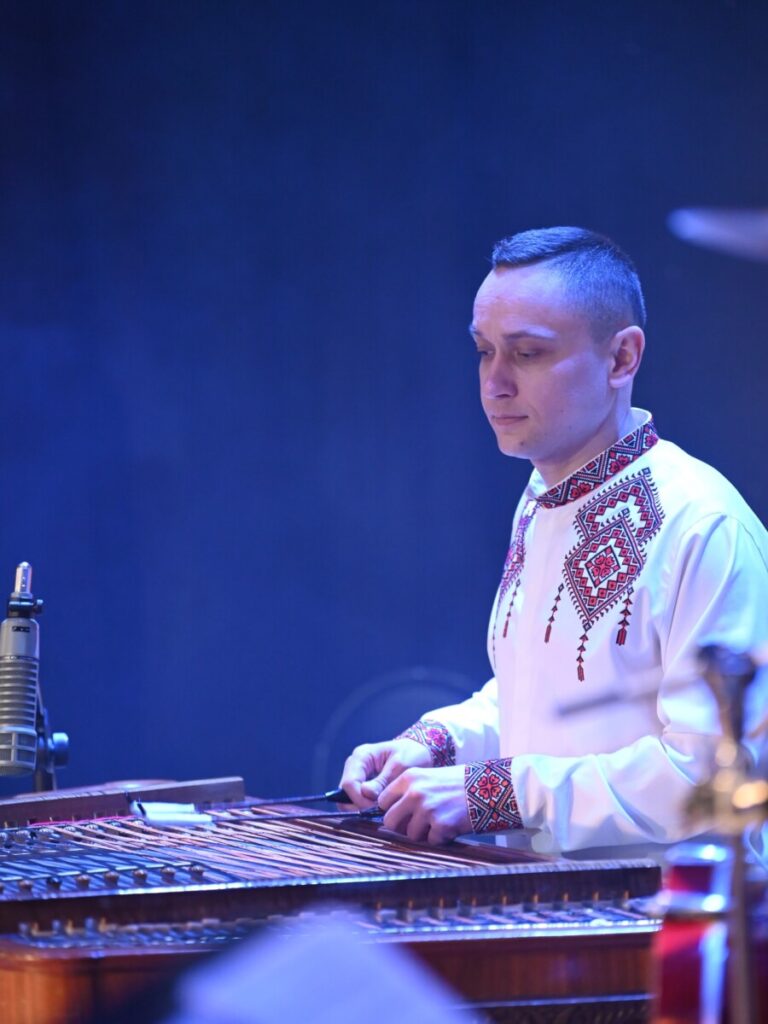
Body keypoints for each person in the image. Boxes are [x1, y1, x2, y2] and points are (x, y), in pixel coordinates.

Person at [340, 226, 768, 852]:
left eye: (527, 353)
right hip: (548, 901)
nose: (495, 383)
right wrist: (436, 745)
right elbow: (548, 707)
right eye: (484, 350)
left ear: (622, 358)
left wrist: (499, 792)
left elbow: (718, 774)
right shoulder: (542, 498)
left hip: (662, 910)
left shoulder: (705, 525)